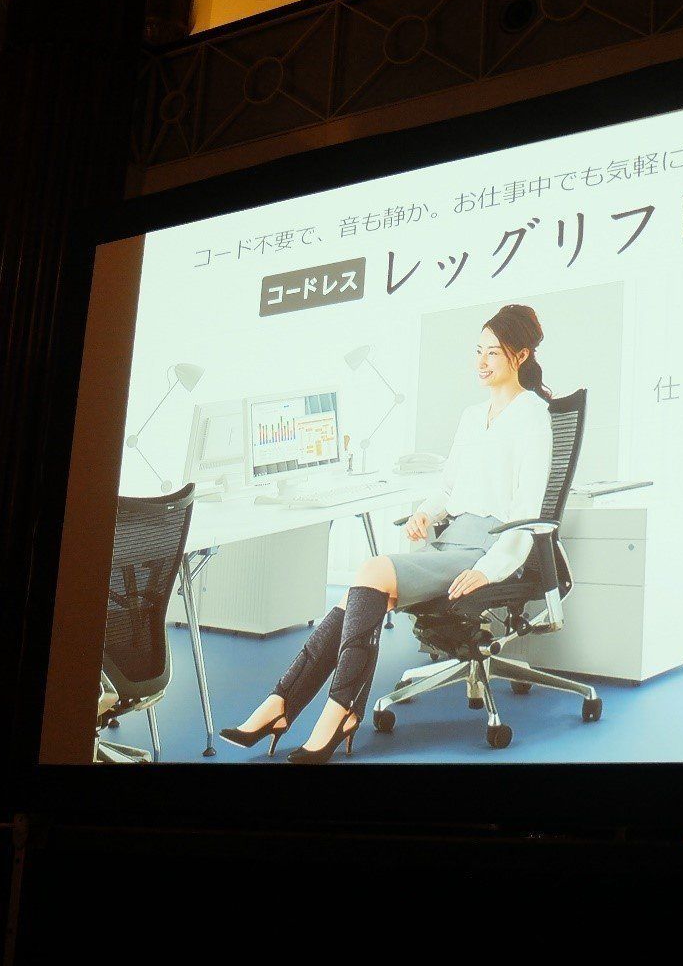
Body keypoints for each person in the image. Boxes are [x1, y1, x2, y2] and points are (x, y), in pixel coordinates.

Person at [220, 303, 554, 763]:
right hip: (450, 541)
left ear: (521, 354)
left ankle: (314, 709)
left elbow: (527, 513)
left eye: (492, 352)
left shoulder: (533, 416)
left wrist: (489, 568)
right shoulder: (472, 415)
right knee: (359, 596)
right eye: (477, 350)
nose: (480, 361)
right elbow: (449, 488)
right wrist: (425, 514)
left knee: (371, 571)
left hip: (487, 548)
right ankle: (294, 708)